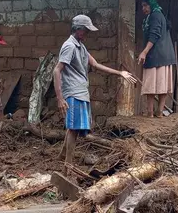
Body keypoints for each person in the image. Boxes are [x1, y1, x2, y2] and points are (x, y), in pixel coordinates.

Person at [54, 15, 136, 171]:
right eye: (86, 31)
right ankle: (68, 164)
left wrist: (119, 73)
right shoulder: (69, 46)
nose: (88, 34)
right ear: (78, 30)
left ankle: (62, 156)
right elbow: (56, 70)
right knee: (73, 129)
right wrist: (59, 98)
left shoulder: (80, 46)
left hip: (81, 91)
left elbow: (96, 64)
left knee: (74, 126)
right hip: (73, 91)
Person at [137, 0, 177, 117]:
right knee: (162, 85)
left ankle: (151, 113)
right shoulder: (158, 15)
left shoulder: (155, 16)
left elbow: (154, 35)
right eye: (142, 6)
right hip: (164, 56)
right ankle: (159, 112)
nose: (143, 8)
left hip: (156, 56)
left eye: (145, 5)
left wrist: (144, 52)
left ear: (151, 5)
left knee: (151, 85)